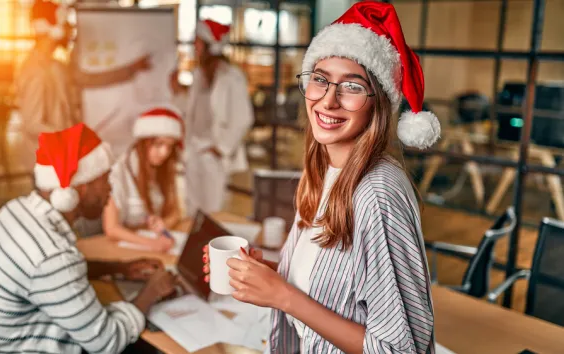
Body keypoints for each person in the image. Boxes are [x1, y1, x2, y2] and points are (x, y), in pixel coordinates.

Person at [203, 2, 441, 353]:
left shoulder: (377, 194)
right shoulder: (321, 174)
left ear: (378, 103)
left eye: (352, 86)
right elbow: (333, 288)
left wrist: (283, 297)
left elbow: (400, 349)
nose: (328, 101)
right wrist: (266, 275)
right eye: (320, 79)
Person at [0, 123, 177, 354]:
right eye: (106, 179)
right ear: (83, 187)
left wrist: (119, 267)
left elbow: (52, 276)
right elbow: (107, 343)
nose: (111, 190)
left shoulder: (16, 210)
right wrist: (151, 292)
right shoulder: (52, 257)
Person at [14, 0, 151, 171]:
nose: (70, 31)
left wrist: (131, 69)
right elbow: (33, 124)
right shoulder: (35, 71)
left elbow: (88, 79)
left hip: (63, 157)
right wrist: (71, 138)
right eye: (65, 25)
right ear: (54, 29)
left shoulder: (56, 66)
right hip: (46, 163)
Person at [183, 19, 255, 217]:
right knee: (192, 208)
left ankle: (210, 248)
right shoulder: (198, 74)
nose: (194, 45)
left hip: (213, 153)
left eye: (198, 41)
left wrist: (221, 147)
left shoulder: (233, 76)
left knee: (214, 210)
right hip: (193, 148)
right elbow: (193, 110)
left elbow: (243, 118)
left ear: (209, 46)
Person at [103, 105, 184, 252]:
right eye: (159, 144)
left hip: (151, 242)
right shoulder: (119, 172)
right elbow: (111, 228)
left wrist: (163, 224)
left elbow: (176, 212)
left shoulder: (164, 169)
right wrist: (150, 243)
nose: (164, 153)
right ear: (144, 142)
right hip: (123, 249)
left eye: (169, 146)